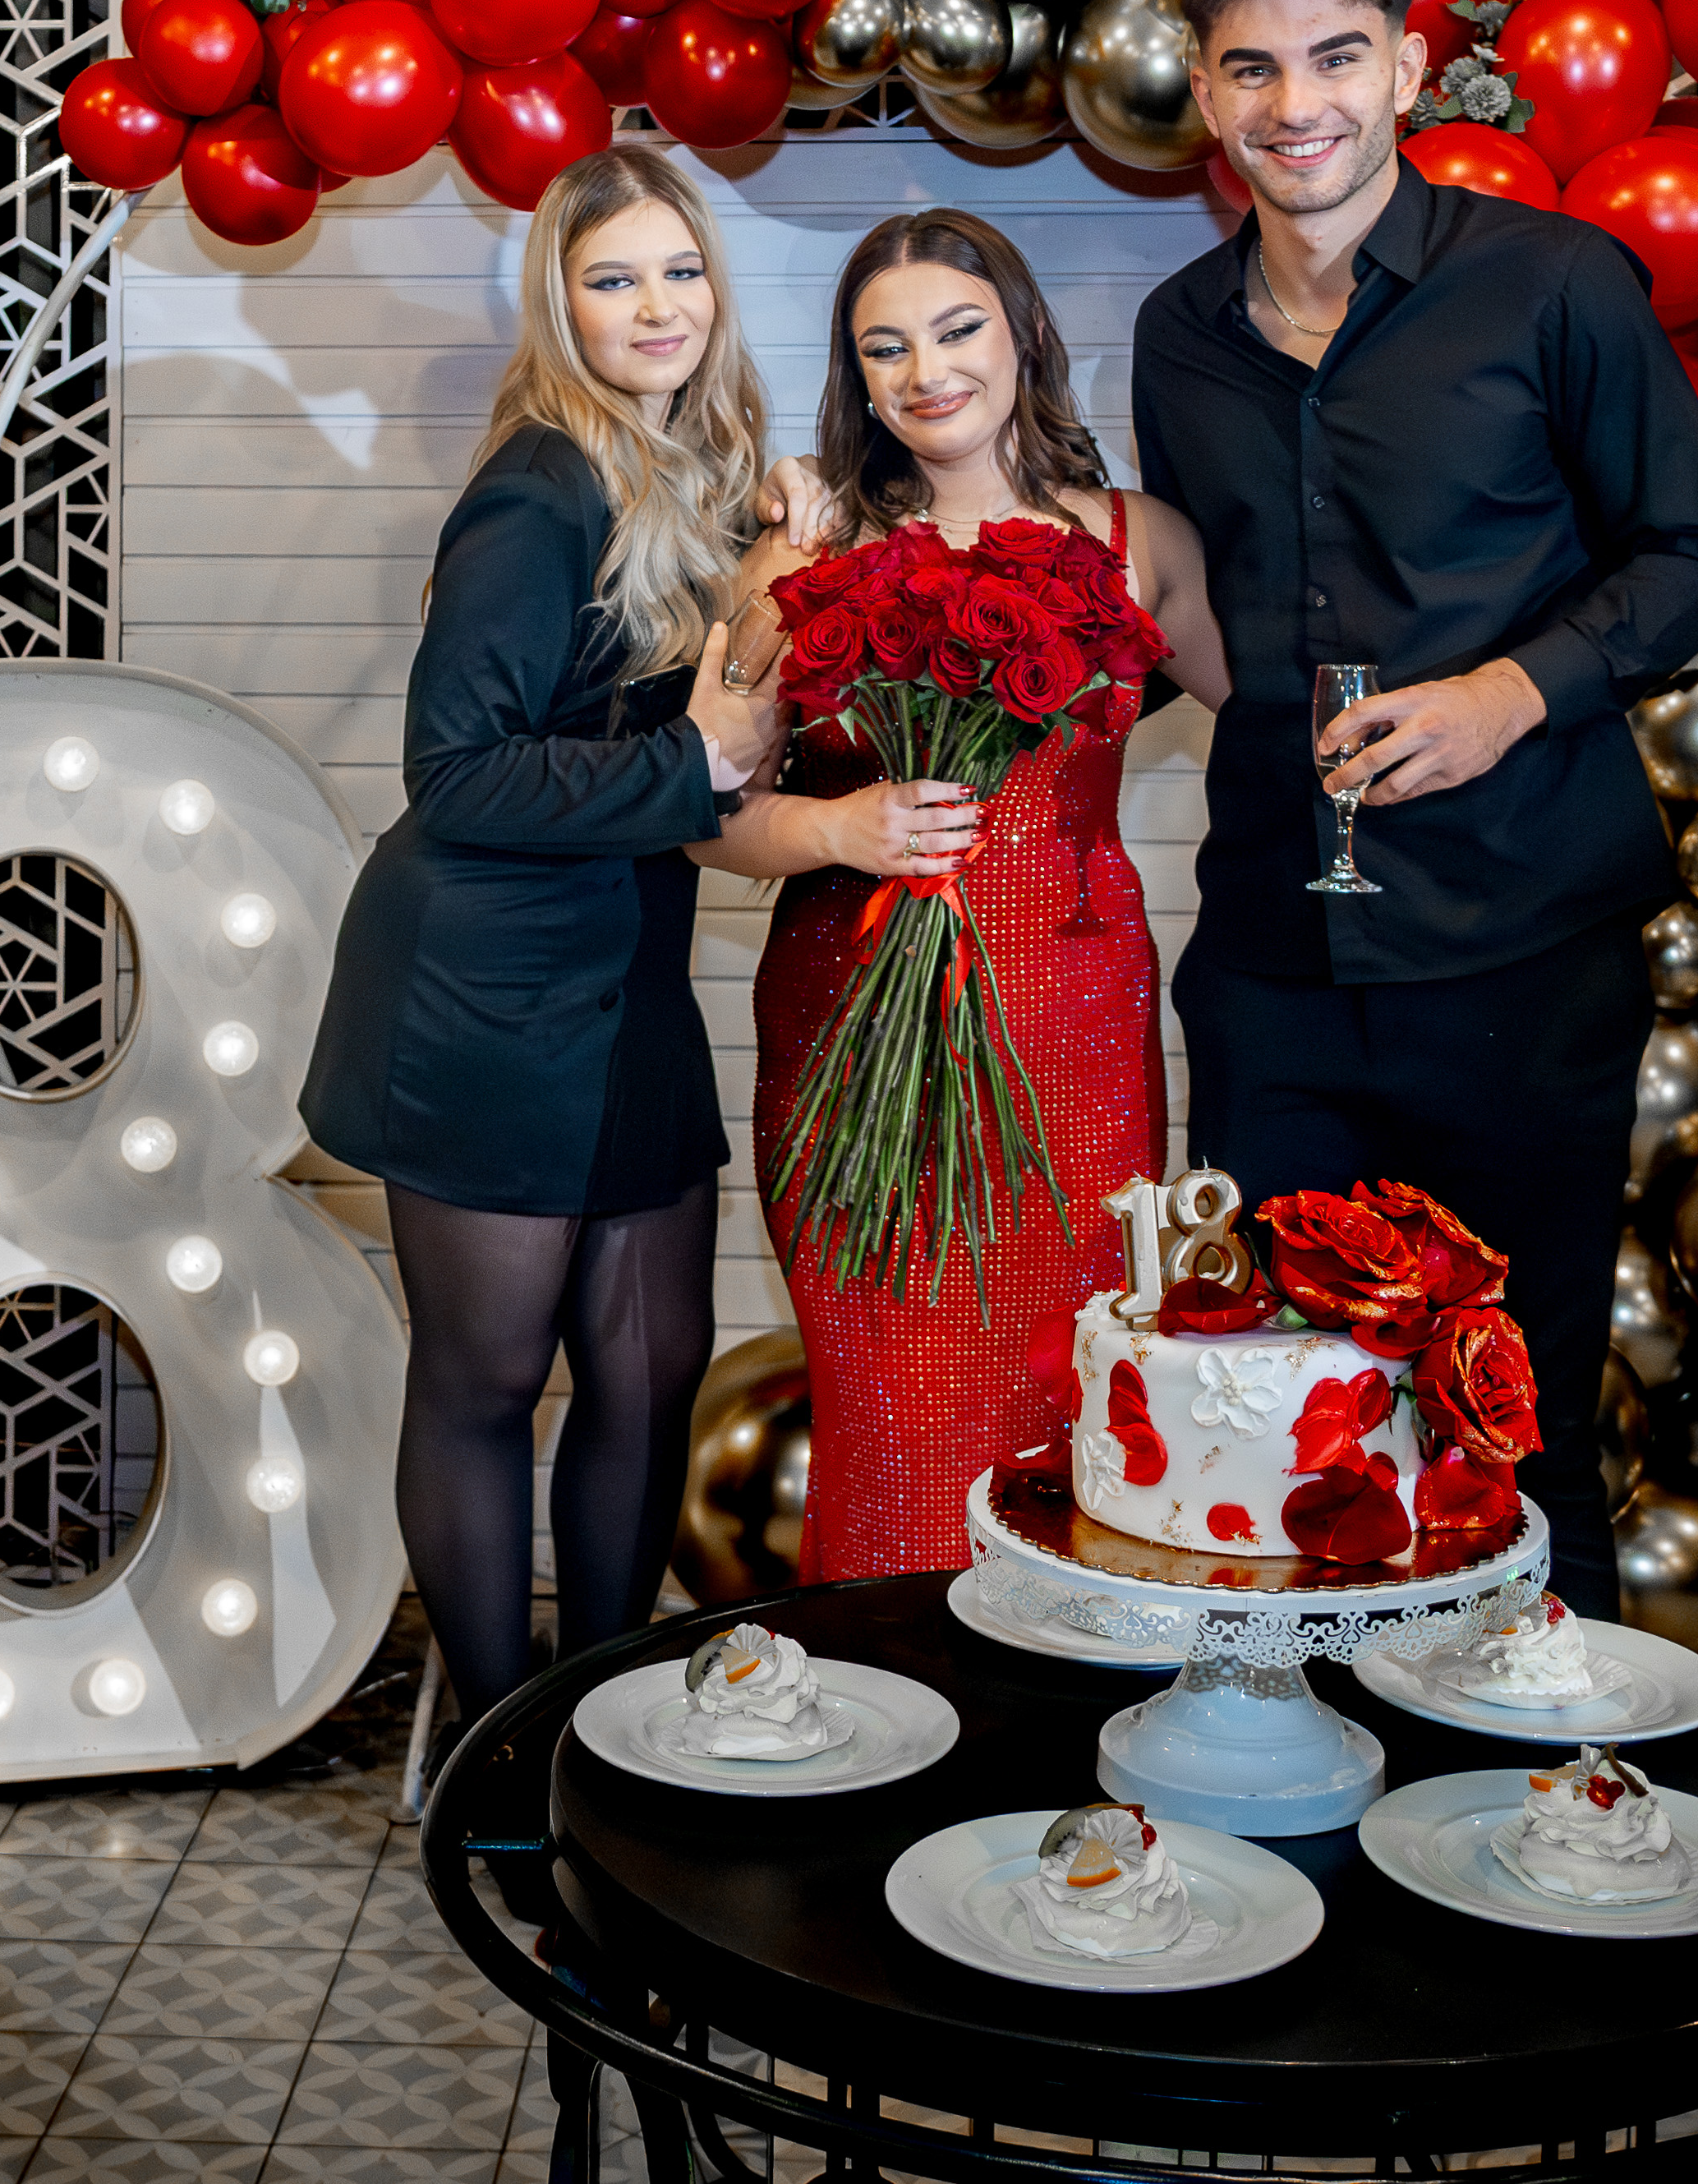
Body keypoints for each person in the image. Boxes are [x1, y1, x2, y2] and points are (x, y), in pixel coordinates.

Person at [1129, 0, 1698, 1611]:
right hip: (1271, 965)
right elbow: (1201, 612)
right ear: (1204, 91)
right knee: (1281, 1428)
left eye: (1334, 57)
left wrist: (1508, 695)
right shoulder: (1176, 335)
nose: (1294, 104)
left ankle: (1554, 1756)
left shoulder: (1551, 285)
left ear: (1405, 68)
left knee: (1519, 1417)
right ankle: (1326, 1759)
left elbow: (1692, 558)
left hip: (1520, 946)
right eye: (1250, 68)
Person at [302, 145, 784, 1720]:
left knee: (647, 1371)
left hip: (622, 977)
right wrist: (692, 764)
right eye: (611, 278)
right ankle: (500, 1757)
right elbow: (454, 769)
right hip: (485, 991)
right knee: (488, 1377)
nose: (655, 306)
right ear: (558, 306)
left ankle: (604, 1719)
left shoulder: (689, 472)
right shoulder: (540, 482)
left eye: (679, 270)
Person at [694, 211, 1234, 1580]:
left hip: (1074, 1040)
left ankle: (1059, 1693)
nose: (925, 371)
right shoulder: (805, 552)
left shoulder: (1140, 539)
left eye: (955, 329)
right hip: (852, 1029)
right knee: (891, 1416)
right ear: (856, 377)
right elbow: (700, 815)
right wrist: (837, 825)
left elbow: (1286, 719)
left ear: (1025, 334)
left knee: (1075, 1397)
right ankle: (889, 1694)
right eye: (885, 348)